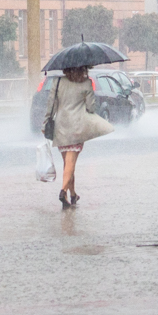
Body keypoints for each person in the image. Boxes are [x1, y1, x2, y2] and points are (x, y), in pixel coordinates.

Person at [42, 65, 114, 209]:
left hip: (61, 127)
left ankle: (73, 194)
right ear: (84, 68)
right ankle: (63, 191)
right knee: (71, 163)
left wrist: (46, 122)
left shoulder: (57, 81)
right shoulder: (86, 83)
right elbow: (91, 108)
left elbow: (51, 104)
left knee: (68, 164)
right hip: (77, 127)